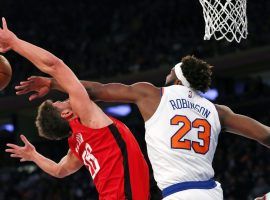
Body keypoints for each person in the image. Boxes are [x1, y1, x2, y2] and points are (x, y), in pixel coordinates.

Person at [15, 29, 270, 200]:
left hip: (177, 193)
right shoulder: (218, 111)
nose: (165, 75)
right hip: (212, 191)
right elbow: (265, 135)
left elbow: (96, 90)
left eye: (169, 73)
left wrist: (54, 82)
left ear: (177, 79)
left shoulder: (152, 95)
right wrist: (56, 84)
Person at [0, 17, 150, 200]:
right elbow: (55, 65)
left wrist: (34, 156)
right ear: (66, 114)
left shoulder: (77, 144)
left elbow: (59, 170)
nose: (63, 100)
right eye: (59, 103)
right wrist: (14, 42)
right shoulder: (87, 119)